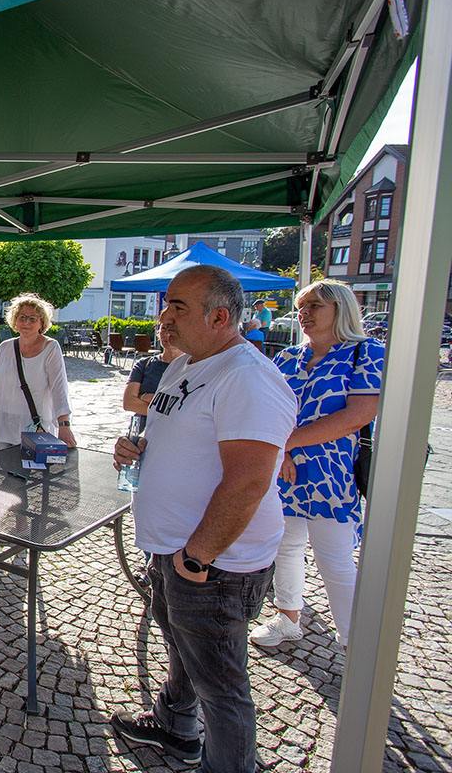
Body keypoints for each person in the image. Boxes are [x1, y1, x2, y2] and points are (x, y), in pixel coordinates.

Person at [109, 265, 297, 772]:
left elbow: (250, 481)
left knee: (223, 689)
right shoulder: (184, 365)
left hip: (214, 564)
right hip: (173, 550)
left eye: (178, 307)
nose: (163, 317)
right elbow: (182, 436)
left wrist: (198, 556)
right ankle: (175, 726)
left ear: (219, 316)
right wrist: (140, 446)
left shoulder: (247, 377)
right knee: (183, 653)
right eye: (166, 303)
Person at [250, 280, 383, 649]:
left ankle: (355, 646)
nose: (304, 313)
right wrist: (284, 452)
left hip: (332, 472)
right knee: (285, 546)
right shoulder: (287, 357)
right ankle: (288, 617)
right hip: (284, 468)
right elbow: (268, 409)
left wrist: (287, 444)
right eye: (301, 306)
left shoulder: (366, 352)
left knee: (335, 559)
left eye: (315, 306)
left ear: (340, 309)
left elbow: (357, 415)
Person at [0, 292, 74, 448]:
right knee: (7, 470)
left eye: (33, 318)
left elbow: (59, 388)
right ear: (15, 321)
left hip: (34, 425)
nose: (26, 322)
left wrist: (64, 425)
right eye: (22, 317)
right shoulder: (5, 347)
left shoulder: (50, 348)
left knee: (36, 469)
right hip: (4, 423)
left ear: (41, 323)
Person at [123, 323, 183, 416]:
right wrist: (169, 411)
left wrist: (145, 397)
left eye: (173, 330)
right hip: (144, 428)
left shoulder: (193, 367)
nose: (167, 334)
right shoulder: (144, 364)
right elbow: (128, 403)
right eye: (164, 329)